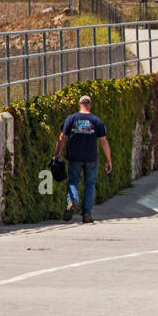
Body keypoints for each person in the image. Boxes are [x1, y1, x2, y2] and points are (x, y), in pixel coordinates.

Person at [54, 95, 113, 223]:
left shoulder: (71, 119)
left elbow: (62, 138)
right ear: (90, 105)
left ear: (79, 104)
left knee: (73, 181)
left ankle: (73, 200)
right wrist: (108, 159)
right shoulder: (96, 121)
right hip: (91, 158)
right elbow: (103, 141)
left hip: (74, 157)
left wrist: (57, 154)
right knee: (90, 184)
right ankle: (86, 213)